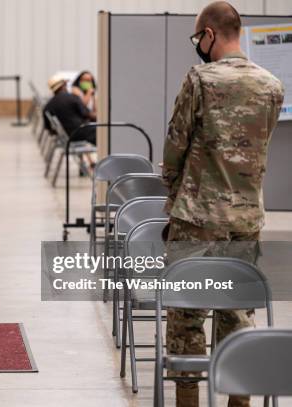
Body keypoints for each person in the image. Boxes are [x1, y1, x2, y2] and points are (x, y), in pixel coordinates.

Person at [162, 2, 284, 406]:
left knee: (187, 313)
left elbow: (176, 146)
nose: (198, 45)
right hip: (246, 220)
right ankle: (239, 400)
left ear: (210, 34)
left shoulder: (199, 79)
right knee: (236, 311)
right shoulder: (271, 84)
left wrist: (174, 193)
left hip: (196, 217)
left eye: (199, 38)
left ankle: (188, 400)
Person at [43, 74, 96, 175]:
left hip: (67, 137)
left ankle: (86, 167)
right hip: (79, 133)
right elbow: (87, 114)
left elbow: (49, 129)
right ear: (62, 86)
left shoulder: (48, 106)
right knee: (104, 134)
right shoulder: (71, 98)